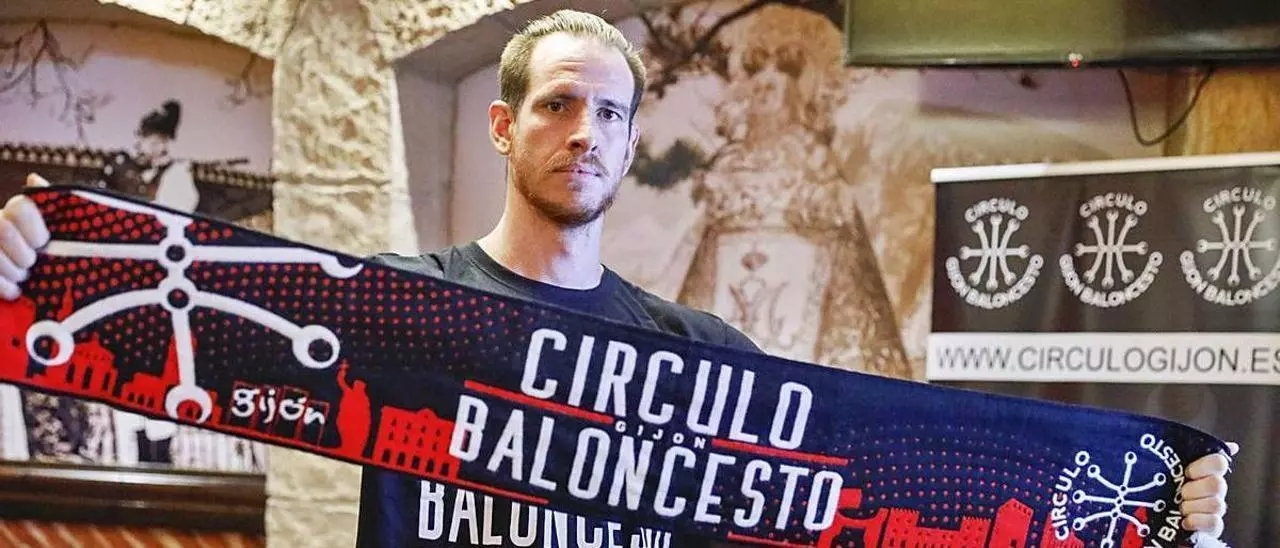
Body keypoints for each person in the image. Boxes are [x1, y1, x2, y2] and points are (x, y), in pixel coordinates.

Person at [0, 9, 1237, 547]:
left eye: (606, 112)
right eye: (554, 105)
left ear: (629, 138)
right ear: (503, 125)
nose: (581, 132)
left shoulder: (697, 358)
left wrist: (1143, 500)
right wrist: (31, 269)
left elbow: (893, 475)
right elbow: (190, 324)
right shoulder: (393, 308)